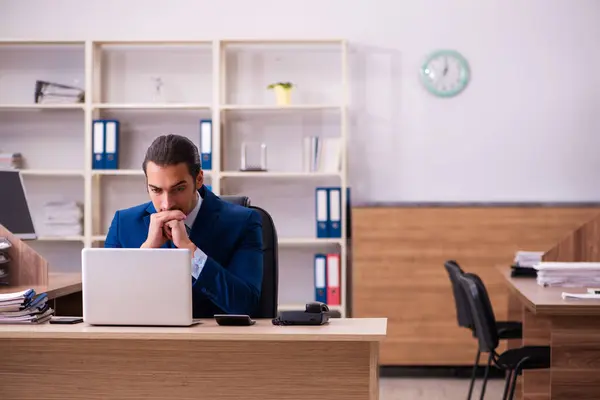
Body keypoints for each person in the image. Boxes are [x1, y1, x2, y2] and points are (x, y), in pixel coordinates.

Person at [104, 134, 264, 318]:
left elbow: (246, 305)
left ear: (199, 179)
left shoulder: (244, 222)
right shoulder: (123, 223)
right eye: (156, 190)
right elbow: (106, 300)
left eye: (178, 189)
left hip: (212, 342)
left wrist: (191, 252)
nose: (166, 204)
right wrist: (145, 252)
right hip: (142, 340)